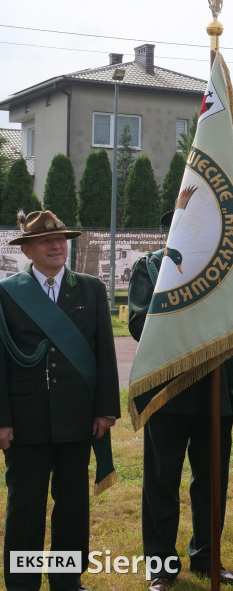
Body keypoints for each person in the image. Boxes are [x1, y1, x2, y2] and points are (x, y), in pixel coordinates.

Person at [128, 211, 233, 590]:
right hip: (167, 393)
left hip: (216, 393)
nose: (194, 229)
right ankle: (162, 567)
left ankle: (207, 558)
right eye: (185, 223)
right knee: (161, 482)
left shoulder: (227, 271)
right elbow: (137, 324)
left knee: (212, 483)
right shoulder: (151, 268)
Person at [1, 210, 119, 591]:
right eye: (46, 241)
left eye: (61, 239)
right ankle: (22, 582)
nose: (56, 246)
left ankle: (67, 580)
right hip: (25, 420)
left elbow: (104, 353)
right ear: (28, 250)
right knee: (26, 507)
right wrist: (2, 418)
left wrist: (105, 409)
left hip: (76, 418)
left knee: (72, 506)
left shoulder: (90, 289)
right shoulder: (7, 293)